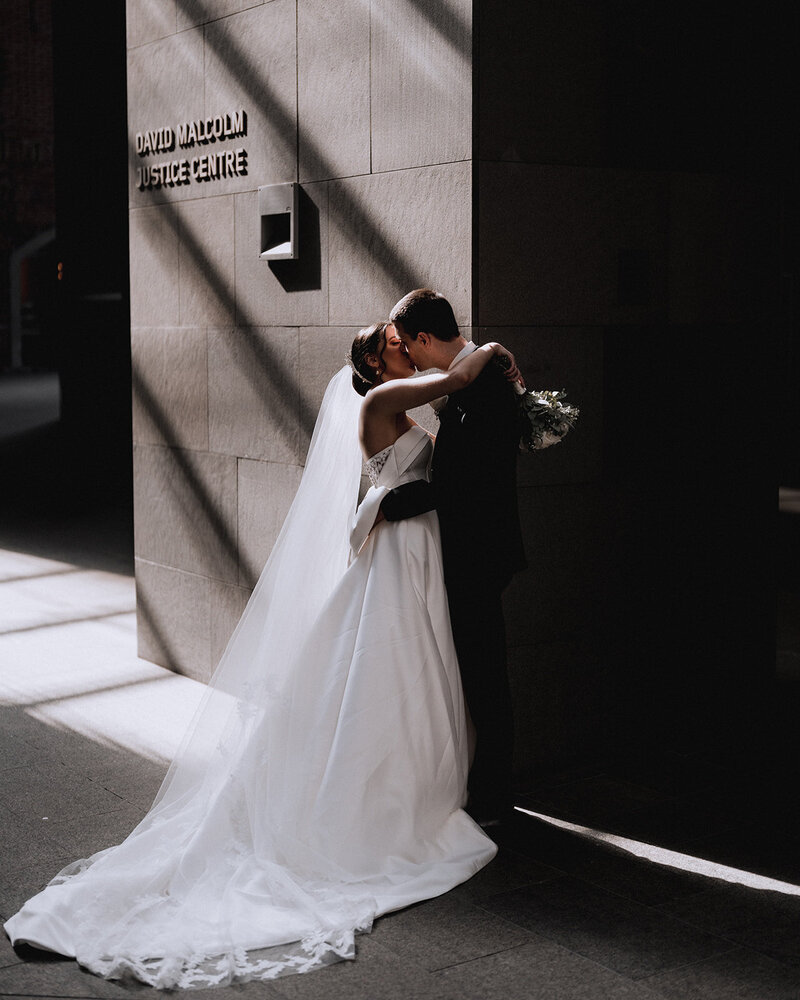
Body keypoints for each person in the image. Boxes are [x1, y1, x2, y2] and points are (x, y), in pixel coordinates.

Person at [4, 322, 520, 990]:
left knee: (406, 674)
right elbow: (453, 382)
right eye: (393, 345)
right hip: (397, 558)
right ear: (374, 357)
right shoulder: (379, 402)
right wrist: (492, 355)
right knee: (382, 672)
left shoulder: (402, 401)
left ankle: (418, 781)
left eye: (404, 341)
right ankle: (384, 801)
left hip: (414, 554)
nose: (403, 348)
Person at [384, 290, 527, 826]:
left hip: (478, 553)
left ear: (424, 339)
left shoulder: (482, 389)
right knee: (476, 671)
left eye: (408, 347)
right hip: (476, 548)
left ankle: (494, 800)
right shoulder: (476, 378)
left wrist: (384, 506)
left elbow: (457, 485)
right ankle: (482, 787)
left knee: (486, 675)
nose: (409, 360)